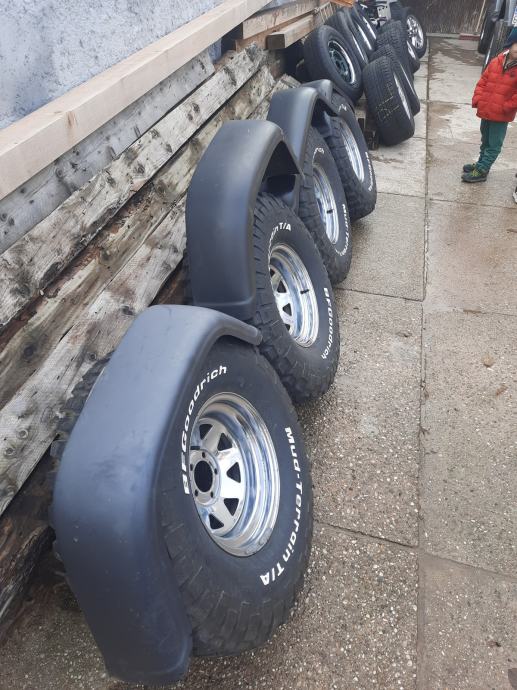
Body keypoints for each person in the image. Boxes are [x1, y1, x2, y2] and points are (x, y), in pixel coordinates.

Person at [462, 31, 517, 183]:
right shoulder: (496, 61)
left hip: (501, 115)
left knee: (494, 144)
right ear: (510, 43)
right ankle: (480, 163)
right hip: (486, 110)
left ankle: (482, 170)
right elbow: (483, 81)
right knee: (485, 140)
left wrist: (506, 107)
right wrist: (478, 99)